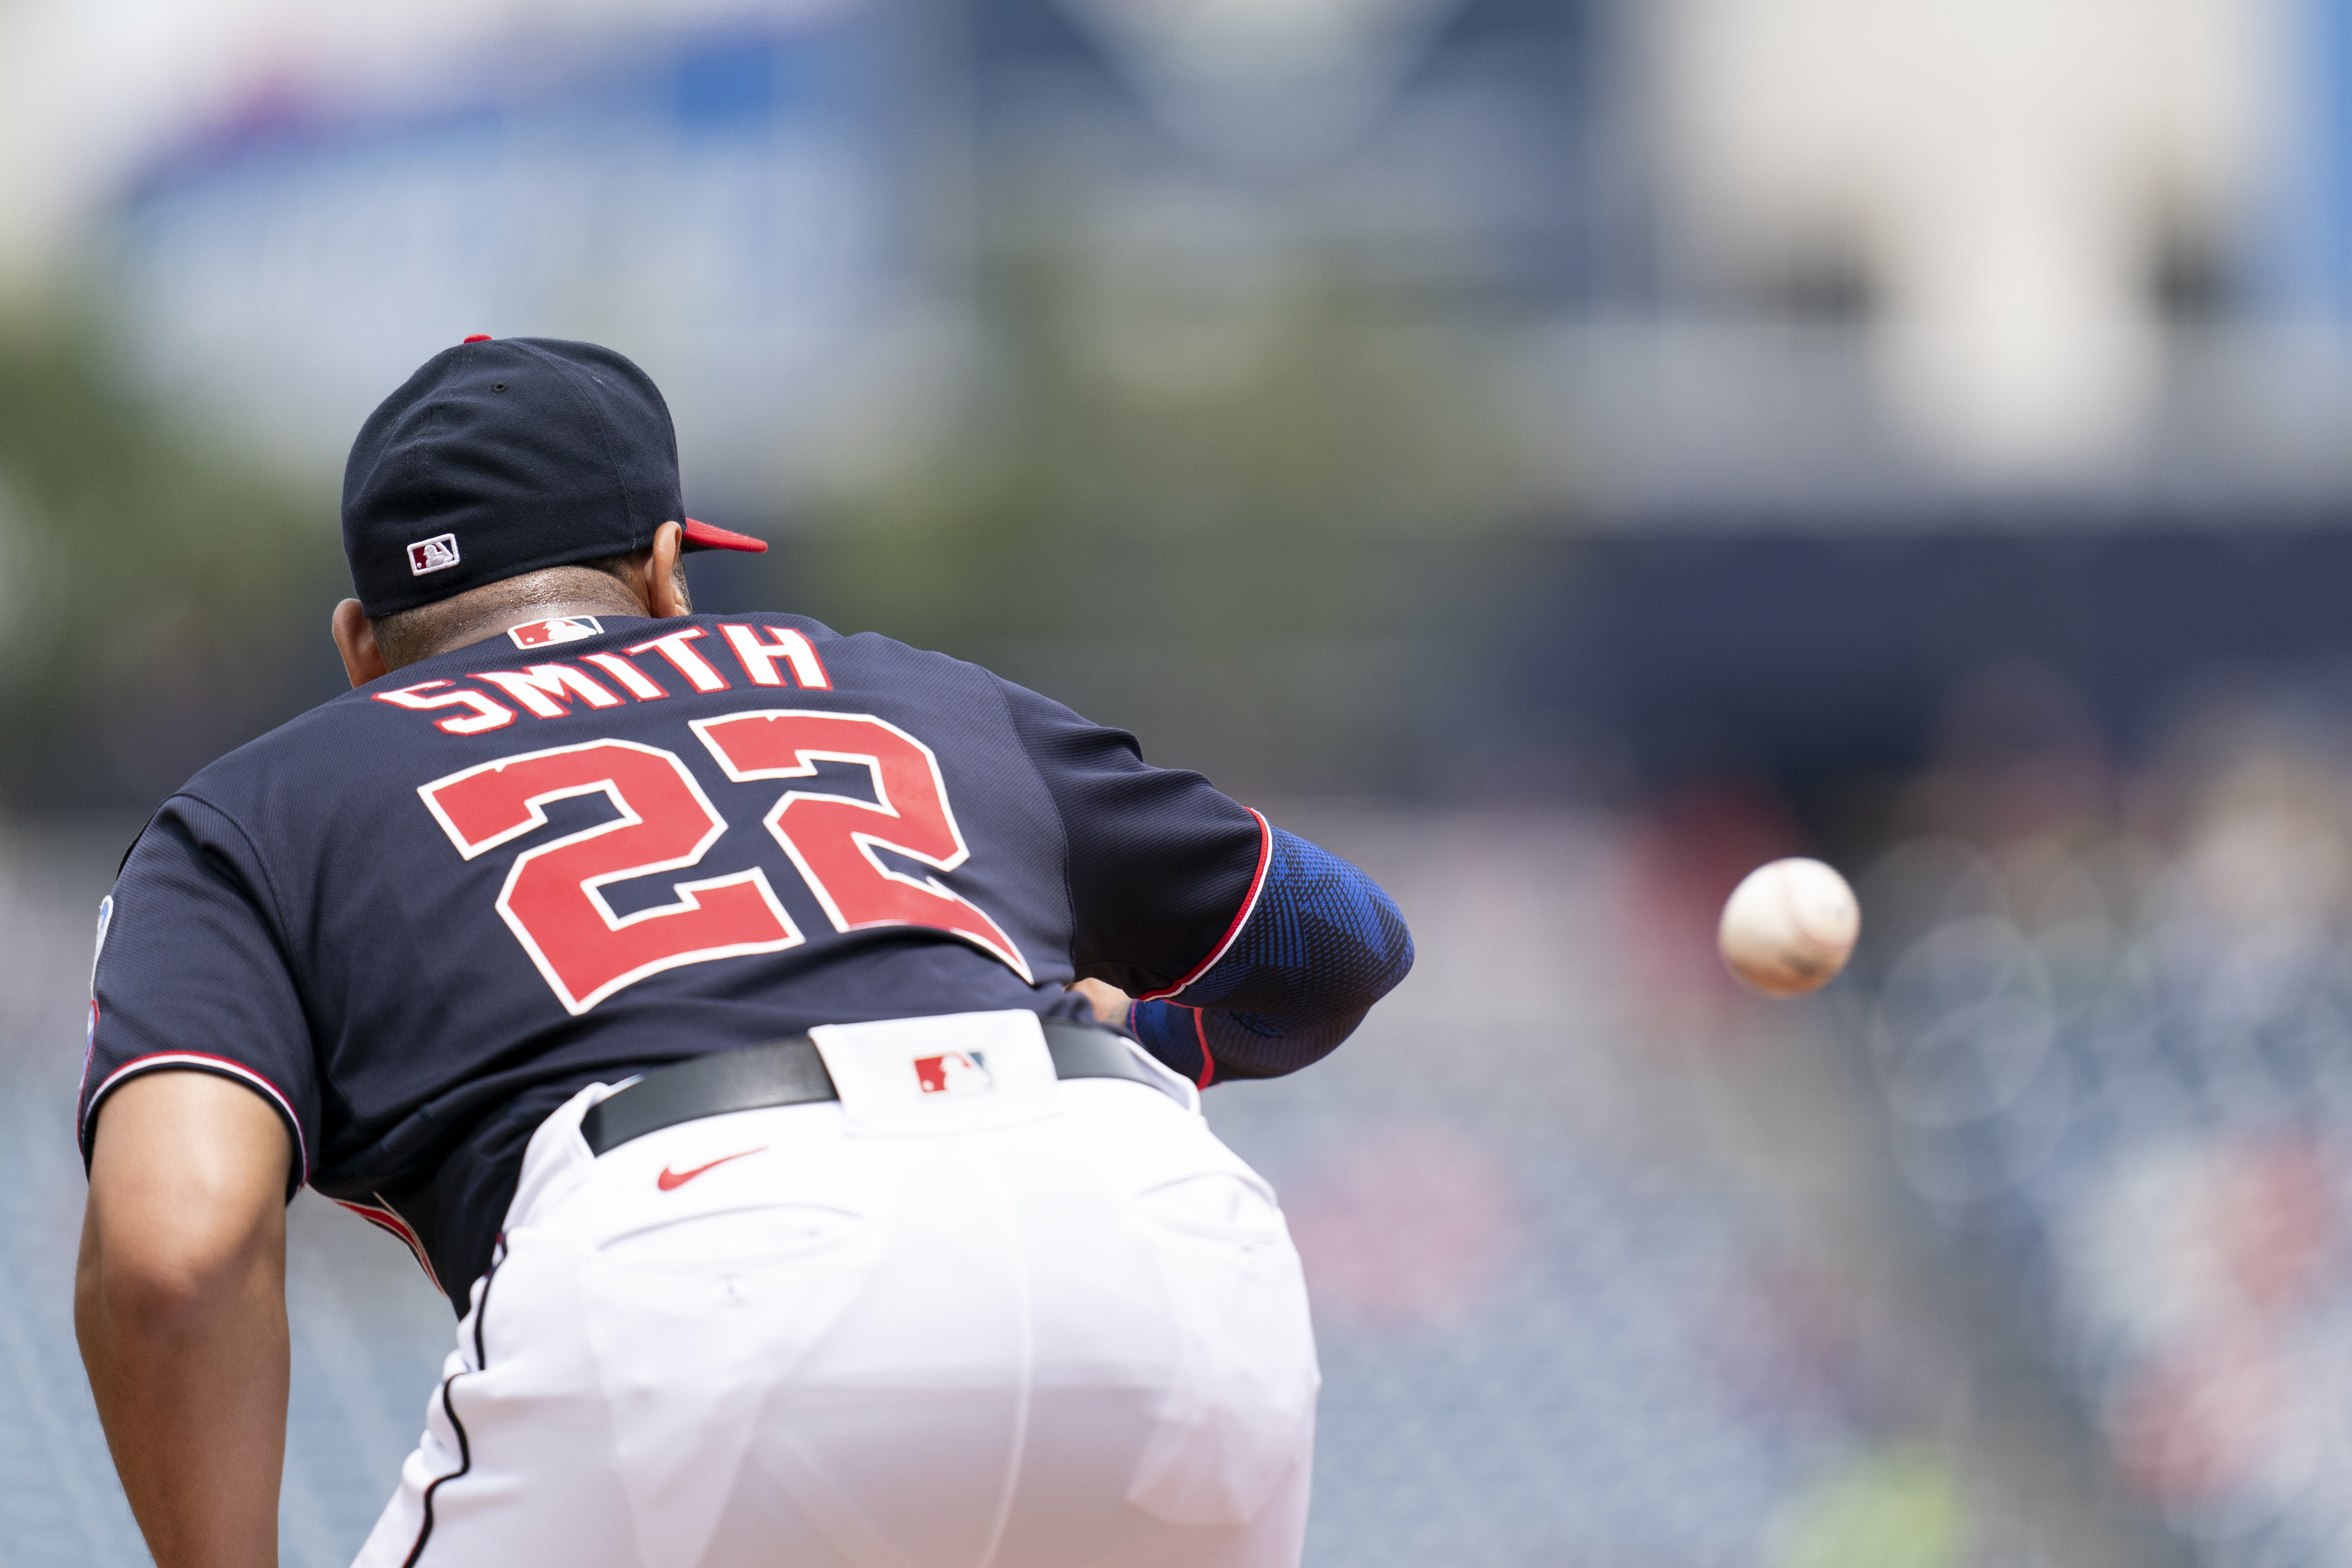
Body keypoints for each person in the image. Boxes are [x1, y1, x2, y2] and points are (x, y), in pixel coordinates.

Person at [73, 337, 1413, 1568]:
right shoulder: (907, 684)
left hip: (694, 1263)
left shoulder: (256, 811)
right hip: (1148, 1240)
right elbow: (1337, 939)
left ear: (363, 648)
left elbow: (175, 1253)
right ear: (667, 571)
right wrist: (1147, 1044)